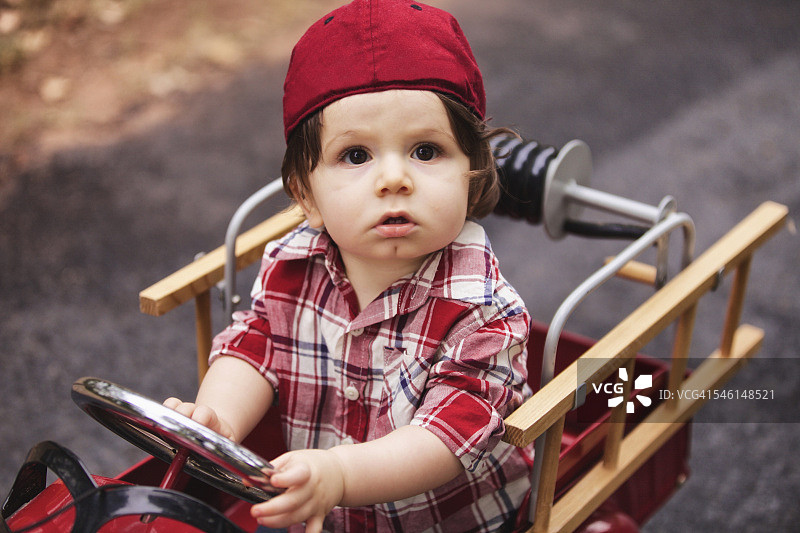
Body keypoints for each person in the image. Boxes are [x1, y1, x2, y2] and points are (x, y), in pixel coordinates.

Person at [165, 1, 534, 531]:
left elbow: (446, 440)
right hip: (322, 509)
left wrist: (338, 474)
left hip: (449, 520)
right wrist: (218, 419)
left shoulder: (484, 313)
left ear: (472, 177)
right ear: (306, 196)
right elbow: (258, 343)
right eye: (356, 156)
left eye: (426, 151)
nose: (393, 179)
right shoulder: (295, 265)